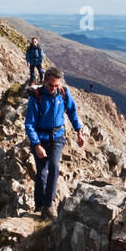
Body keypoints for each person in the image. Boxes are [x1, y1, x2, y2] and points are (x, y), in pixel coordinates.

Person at [24, 68, 84, 217]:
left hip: (57, 137)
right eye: (51, 85)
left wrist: (79, 132)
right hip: (40, 138)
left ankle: (48, 205)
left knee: (54, 166)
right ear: (45, 81)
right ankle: (39, 206)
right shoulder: (36, 97)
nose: (54, 88)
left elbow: (72, 112)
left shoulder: (63, 94)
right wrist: (37, 145)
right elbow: (29, 124)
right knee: (42, 173)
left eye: (57, 85)